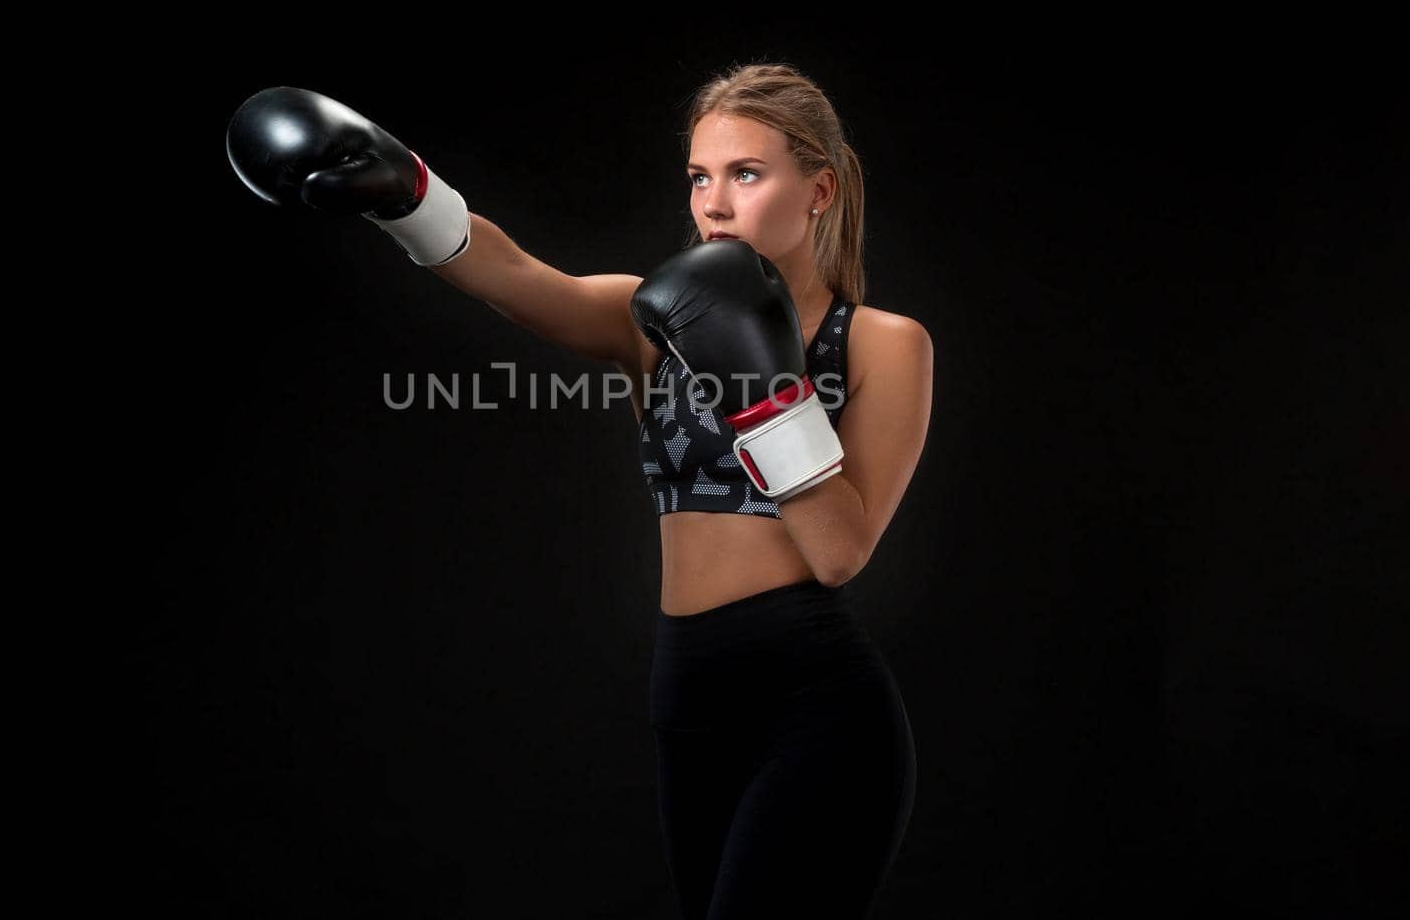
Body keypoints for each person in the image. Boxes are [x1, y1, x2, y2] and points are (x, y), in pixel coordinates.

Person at [226, 62, 933, 918]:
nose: (713, 203)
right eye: (700, 176)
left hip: (814, 706)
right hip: (688, 703)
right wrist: (404, 191)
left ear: (819, 189)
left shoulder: (886, 343)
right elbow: (517, 275)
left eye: (746, 174)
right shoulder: (653, 320)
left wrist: (766, 389)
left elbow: (838, 552)